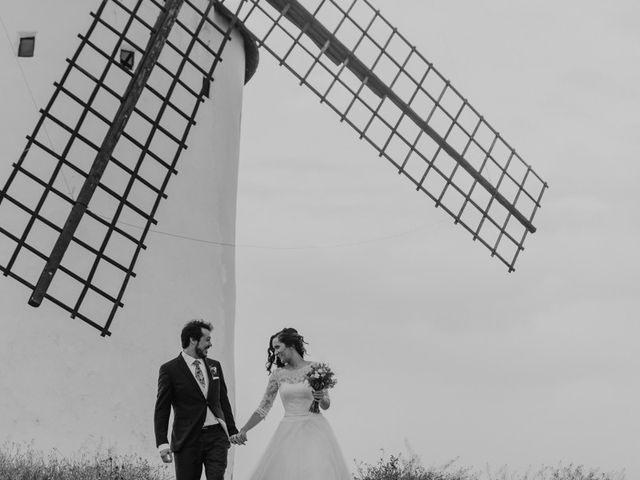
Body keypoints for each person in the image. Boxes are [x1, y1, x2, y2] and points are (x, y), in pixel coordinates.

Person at [231, 328, 351, 480]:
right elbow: (264, 407)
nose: (275, 353)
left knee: (316, 471)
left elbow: (326, 404)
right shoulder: (278, 375)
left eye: (277, 347)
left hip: (315, 430)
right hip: (287, 430)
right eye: (273, 349)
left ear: (291, 346)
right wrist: (244, 430)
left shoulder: (315, 369)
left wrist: (321, 398)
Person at [154, 319, 238, 480]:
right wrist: (162, 443)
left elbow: (222, 400)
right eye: (207, 339)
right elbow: (162, 409)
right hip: (187, 440)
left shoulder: (215, 366)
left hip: (217, 438)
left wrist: (232, 430)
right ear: (193, 340)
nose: (210, 344)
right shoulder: (169, 370)